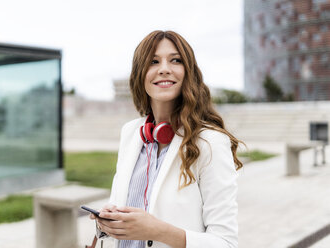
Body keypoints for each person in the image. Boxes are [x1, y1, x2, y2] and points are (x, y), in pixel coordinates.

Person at [90, 30, 243, 248]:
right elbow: (118, 206)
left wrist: (157, 231)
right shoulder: (131, 133)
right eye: (153, 61)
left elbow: (225, 243)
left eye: (175, 60)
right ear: (140, 73)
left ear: (188, 71)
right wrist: (108, 221)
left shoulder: (210, 141)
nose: (164, 69)